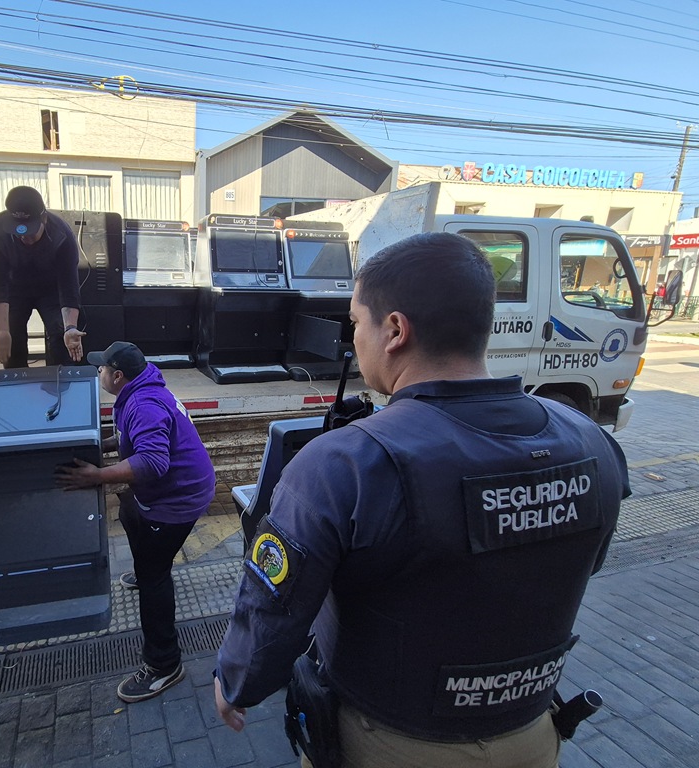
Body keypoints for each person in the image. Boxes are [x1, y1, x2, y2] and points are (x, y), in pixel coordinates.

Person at [213, 232, 630, 767]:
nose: (352, 337)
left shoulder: (343, 464)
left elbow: (273, 609)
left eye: (355, 321)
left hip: (389, 743)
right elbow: (581, 563)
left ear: (394, 330)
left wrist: (236, 682)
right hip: (533, 736)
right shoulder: (591, 441)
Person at [56, 341, 216, 702]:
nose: (98, 373)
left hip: (178, 499)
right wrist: (100, 445)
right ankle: (148, 568)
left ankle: (164, 664)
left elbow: (153, 462)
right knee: (129, 510)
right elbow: (132, 437)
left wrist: (97, 476)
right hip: (170, 490)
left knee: (154, 578)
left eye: (100, 368)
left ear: (117, 376)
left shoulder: (143, 404)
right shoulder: (141, 389)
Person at [0, 185, 86, 368]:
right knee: (12, 338)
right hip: (14, 288)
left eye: (30, 232)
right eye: (18, 232)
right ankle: (17, 381)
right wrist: (2, 330)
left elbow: (69, 285)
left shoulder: (62, 234)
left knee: (61, 336)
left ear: (43, 218)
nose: (24, 237)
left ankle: (60, 378)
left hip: (51, 289)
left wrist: (70, 327)